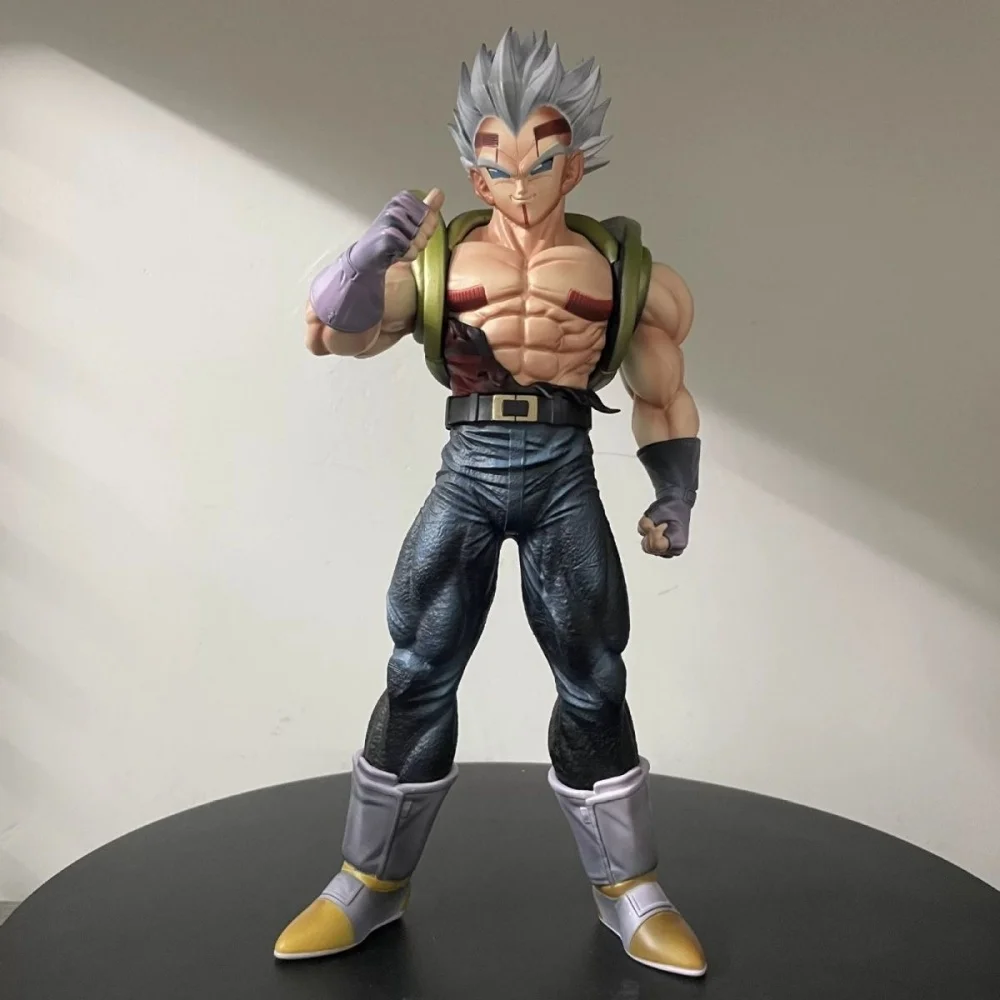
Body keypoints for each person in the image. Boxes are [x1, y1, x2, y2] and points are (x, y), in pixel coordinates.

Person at [274, 29, 706, 977]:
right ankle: (367, 882)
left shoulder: (622, 272)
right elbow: (331, 333)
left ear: (573, 167)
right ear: (474, 172)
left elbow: (662, 391)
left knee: (594, 675)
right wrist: (364, 257)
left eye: (540, 161)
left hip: (562, 471)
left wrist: (675, 492)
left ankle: (629, 888)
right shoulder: (437, 261)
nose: (518, 183)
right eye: (497, 164)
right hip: (469, 469)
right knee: (418, 665)